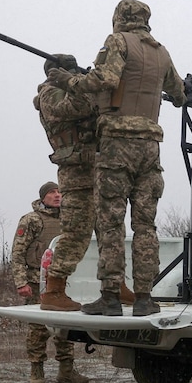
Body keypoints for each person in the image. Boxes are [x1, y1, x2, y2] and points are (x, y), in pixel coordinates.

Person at [47, 0, 186, 317]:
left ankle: (110, 296)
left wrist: (69, 80)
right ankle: (144, 298)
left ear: (119, 18)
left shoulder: (118, 41)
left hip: (117, 144)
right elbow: (179, 95)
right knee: (145, 225)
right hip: (150, 146)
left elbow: (104, 80)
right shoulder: (162, 52)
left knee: (110, 223)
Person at [34, 54, 134, 311]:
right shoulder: (49, 93)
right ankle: (54, 289)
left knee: (111, 230)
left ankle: (115, 284)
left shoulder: (76, 89)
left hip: (101, 168)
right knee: (77, 232)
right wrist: (78, 84)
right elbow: (76, 108)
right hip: (76, 174)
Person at [10, 182, 90, 383]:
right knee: (38, 327)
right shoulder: (31, 220)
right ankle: (37, 370)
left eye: (59, 192)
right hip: (37, 281)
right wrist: (21, 282)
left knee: (65, 325)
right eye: (52, 192)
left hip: (63, 282)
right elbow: (17, 254)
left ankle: (66, 370)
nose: (57, 195)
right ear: (43, 197)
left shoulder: (68, 219)